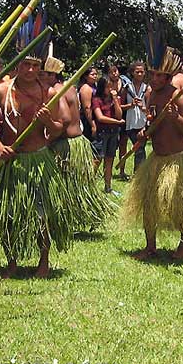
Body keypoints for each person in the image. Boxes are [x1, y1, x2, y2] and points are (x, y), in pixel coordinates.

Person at [0, 18, 72, 279]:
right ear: (17, 64)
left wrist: (47, 121)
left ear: (40, 67)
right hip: (10, 161)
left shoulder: (48, 93)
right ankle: (12, 261)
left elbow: (60, 127)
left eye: (34, 65)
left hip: (39, 160)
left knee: (42, 215)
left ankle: (43, 262)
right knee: (10, 214)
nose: (29, 70)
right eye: (25, 64)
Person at [122, 43, 183, 260]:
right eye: (153, 74)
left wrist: (175, 117)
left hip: (180, 159)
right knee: (149, 203)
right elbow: (152, 124)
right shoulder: (152, 93)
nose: (155, 79)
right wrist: (144, 132)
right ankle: (150, 247)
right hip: (157, 158)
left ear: (170, 76)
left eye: (161, 76)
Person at [48, 54, 115, 232]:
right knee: (76, 185)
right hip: (77, 142)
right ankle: (83, 215)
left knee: (67, 184)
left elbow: (64, 120)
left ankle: (72, 219)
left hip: (66, 144)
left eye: (44, 74)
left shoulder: (56, 91)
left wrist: (47, 139)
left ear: (53, 75)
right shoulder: (68, 88)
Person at [92, 77, 124, 194]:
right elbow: (100, 117)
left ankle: (108, 187)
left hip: (113, 133)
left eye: (112, 86)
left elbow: (119, 115)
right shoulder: (96, 100)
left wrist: (115, 100)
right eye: (108, 87)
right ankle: (89, 185)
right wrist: (117, 122)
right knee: (97, 159)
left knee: (109, 159)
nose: (110, 89)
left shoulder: (115, 99)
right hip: (102, 133)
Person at [119, 61, 149, 176]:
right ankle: (140, 174)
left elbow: (151, 109)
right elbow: (119, 107)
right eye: (137, 72)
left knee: (140, 148)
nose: (140, 74)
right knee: (139, 147)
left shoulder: (147, 89)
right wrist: (130, 105)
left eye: (142, 72)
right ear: (132, 73)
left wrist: (143, 107)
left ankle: (140, 174)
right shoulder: (126, 88)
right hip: (130, 124)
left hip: (143, 123)